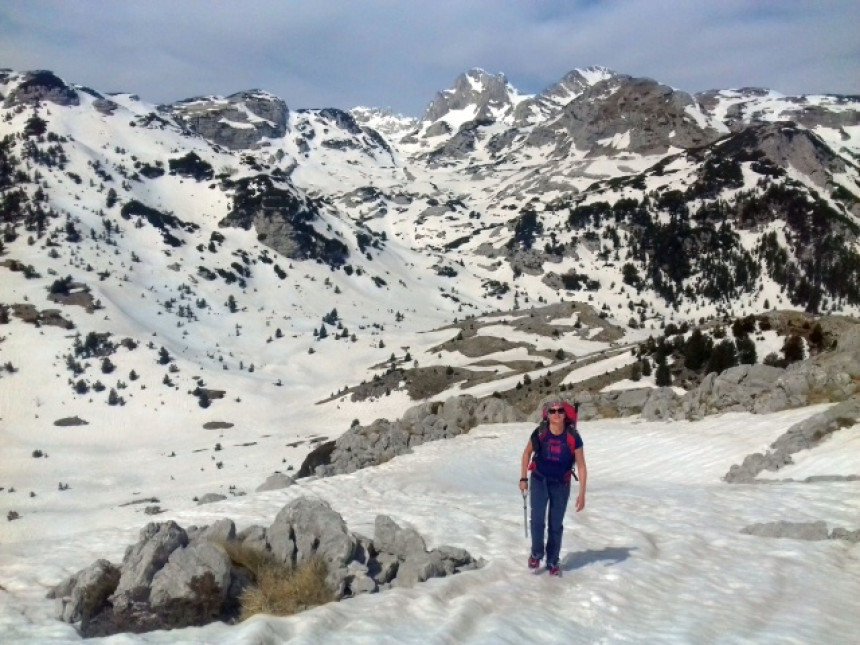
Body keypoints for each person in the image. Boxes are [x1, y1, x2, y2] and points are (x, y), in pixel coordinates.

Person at [519, 399, 587, 576]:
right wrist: (523, 478)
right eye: (552, 411)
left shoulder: (573, 436)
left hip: (561, 484)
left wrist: (582, 493)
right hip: (539, 480)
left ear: (565, 414)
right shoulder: (541, 432)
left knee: (555, 524)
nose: (556, 414)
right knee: (537, 520)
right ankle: (536, 554)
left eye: (560, 411)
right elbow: (527, 453)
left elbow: (581, 465)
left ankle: (552, 560)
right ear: (547, 415)